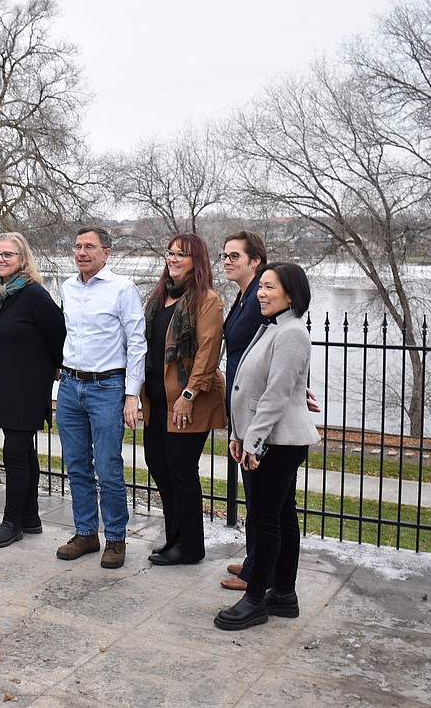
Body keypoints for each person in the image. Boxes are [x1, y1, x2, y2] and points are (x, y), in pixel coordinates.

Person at [214, 262, 321, 631]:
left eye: (270, 287)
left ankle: (256, 598)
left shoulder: (291, 333)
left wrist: (253, 444)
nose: (261, 292)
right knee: (281, 518)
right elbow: (253, 389)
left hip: (276, 442)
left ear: (290, 294)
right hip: (269, 440)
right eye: (261, 287)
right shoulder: (274, 328)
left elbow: (275, 397)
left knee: (265, 520)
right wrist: (236, 435)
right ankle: (283, 594)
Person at [55, 226, 146, 569]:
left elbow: (137, 343)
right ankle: (86, 533)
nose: (81, 252)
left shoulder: (122, 289)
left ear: (106, 253)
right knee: (77, 465)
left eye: (89, 247)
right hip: (69, 386)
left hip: (108, 388)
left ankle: (116, 540)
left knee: (108, 468)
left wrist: (131, 394)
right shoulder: (67, 287)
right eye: (77, 246)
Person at [141, 233, 227, 566]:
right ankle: (175, 538)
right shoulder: (158, 298)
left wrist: (189, 394)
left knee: (181, 472)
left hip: (187, 402)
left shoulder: (206, 300)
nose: (173, 259)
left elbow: (208, 353)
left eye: (182, 254)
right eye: (171, 252)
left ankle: (189, 547)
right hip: (158, 401)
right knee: (159, 467)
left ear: (197, 261)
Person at [0, 232, 65, 548]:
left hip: (26, 387)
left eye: (8, 255)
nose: (1, 259)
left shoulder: (34, 294)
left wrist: (54, 367)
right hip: (1, 385)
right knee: (23, 451)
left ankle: (12, 522)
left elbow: (58, 332)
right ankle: (30, 516)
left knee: (14, 452)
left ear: (22, 259)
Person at [219, 230, 268, 590]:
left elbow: (276, 349)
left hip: (255, 408)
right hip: (240, 406)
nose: (228, 261)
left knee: (261, 495)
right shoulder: (242, 297)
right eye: (225, 255)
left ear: (256, 261)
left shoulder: (259, 300)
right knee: (252, 492)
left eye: (236, 256)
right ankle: (254, 559)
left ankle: (258, 574)